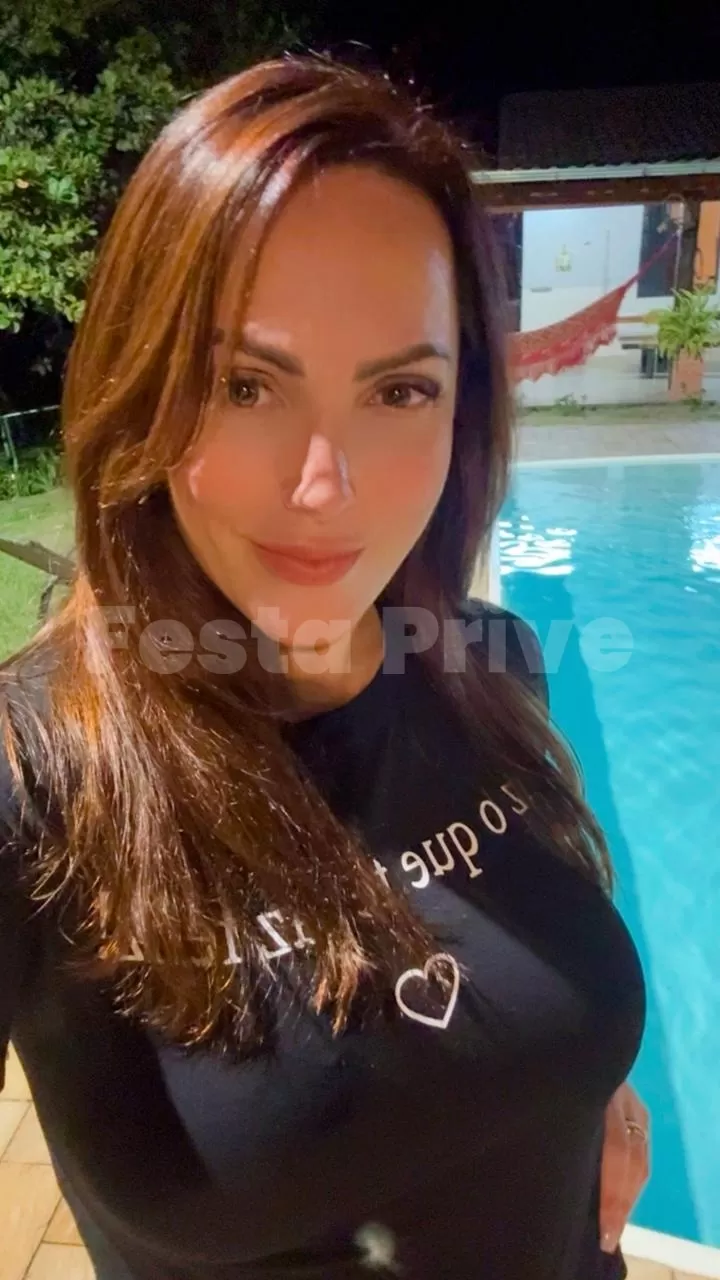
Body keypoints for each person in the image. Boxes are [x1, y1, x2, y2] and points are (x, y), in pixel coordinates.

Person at [0, 55, 649, 1280]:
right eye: (246, 384)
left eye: (399, 388)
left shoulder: (494, 664)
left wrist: (584, 1087)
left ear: (460, 409)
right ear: (146, 394)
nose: (323, 486)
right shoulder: (37, 782)